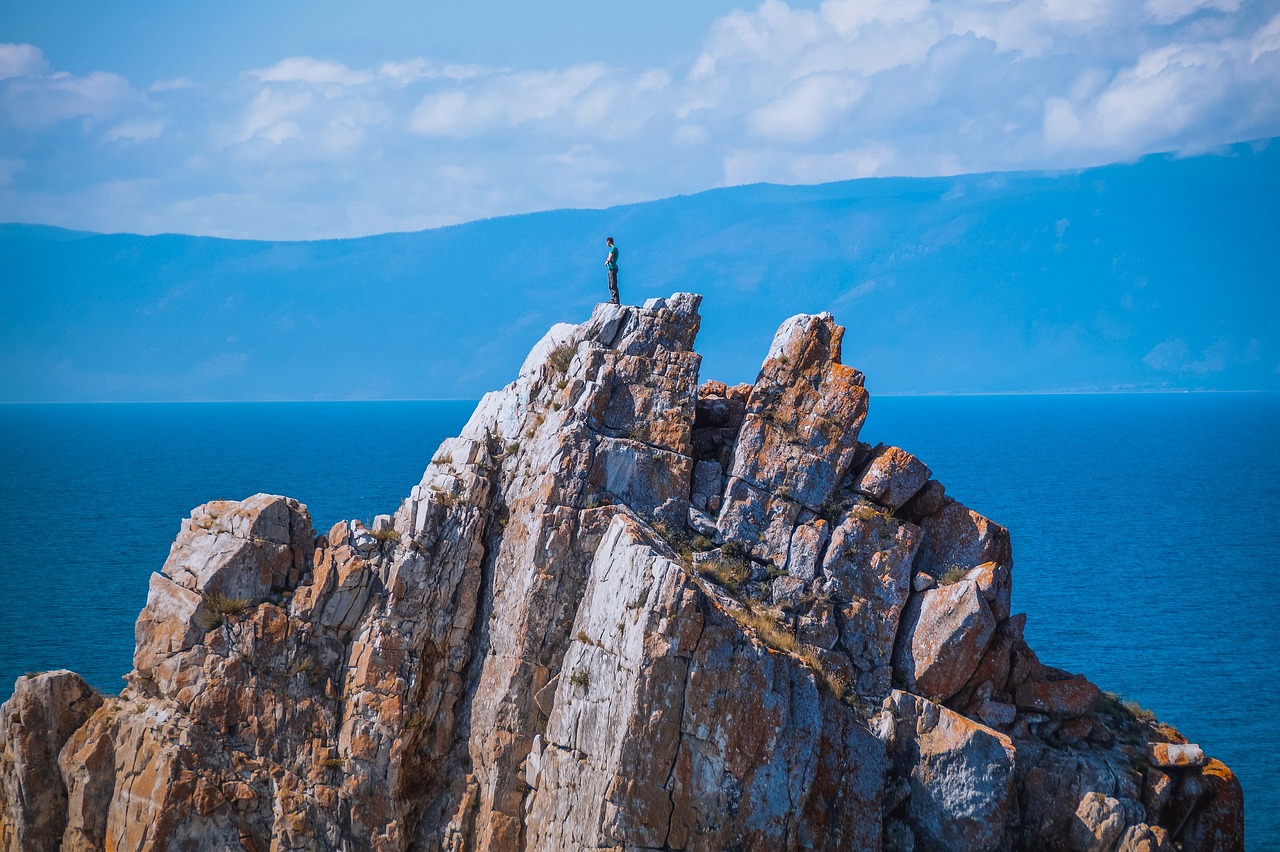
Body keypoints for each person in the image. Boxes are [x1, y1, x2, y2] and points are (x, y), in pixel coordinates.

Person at [604, 237, 620, 304]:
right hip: (612, 268)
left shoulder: (613, 249)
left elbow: (610, 258)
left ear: (608, 241)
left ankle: (615, 299)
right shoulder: (614, 248)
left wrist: (607, 260)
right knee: (611, 285)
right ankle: (613, 298)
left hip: (612, 268)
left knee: (612, 284)